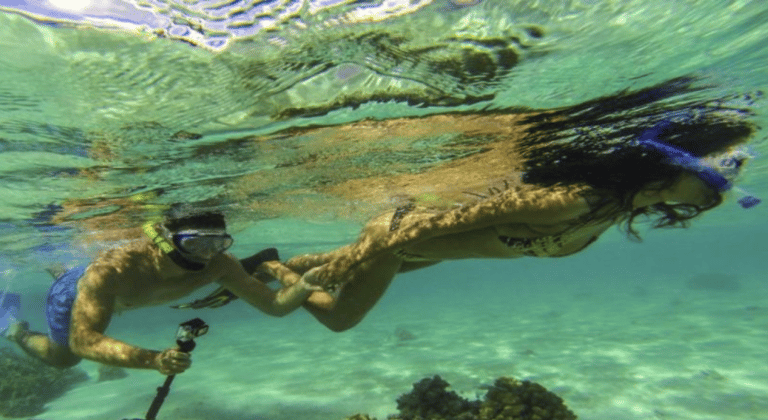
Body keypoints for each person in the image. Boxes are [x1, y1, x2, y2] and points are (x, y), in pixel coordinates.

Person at [183, 78, 760, 332]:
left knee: (342, 261)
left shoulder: (606, 206)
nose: (723, 187)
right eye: (719, 174)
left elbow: (460, 237)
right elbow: (440, 223)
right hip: (404, 234)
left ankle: (269, 262)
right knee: (338, 318)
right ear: (670, 164)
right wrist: (358, 258)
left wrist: (353, 256)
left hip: (423, 247)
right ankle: (277, 271)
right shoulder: (572, 200)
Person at [4, 211, 328, 375]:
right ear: (163, 241)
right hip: (73, 294)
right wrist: (154, 359)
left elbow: (273, 306)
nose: (206, 256)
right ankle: (15, 330)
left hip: (111, 294)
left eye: (218, 244)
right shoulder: (114, 270)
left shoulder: (220, 265)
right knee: (65, 359)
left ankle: (58, 267)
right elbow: (83, 340)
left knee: (77, 278)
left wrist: (301, 287)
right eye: (195, 244)